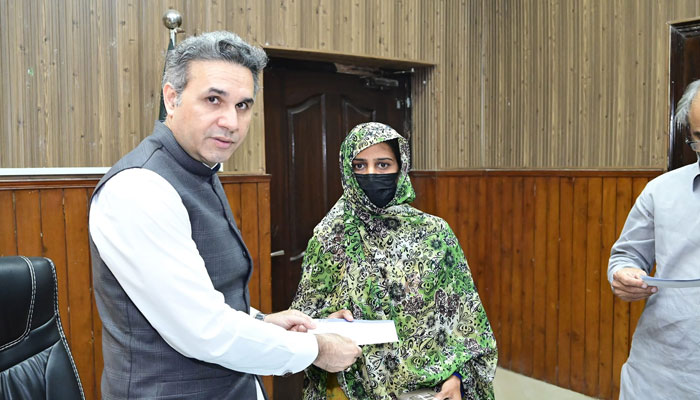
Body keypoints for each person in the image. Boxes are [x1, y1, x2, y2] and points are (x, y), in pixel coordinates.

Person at [88, 31, 361, 400]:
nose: (231, 122)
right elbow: (203, 329)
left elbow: (199, 296)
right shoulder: (139, 188)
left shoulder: (200, 166)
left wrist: (261, 321)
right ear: (172, 98)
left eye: (243, 106)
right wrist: (319, 350)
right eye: (213, 100)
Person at [290, 122, 498, 400]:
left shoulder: (434, 233)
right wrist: (325, 325)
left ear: (401, 167)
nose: (372, 174)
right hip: (350, 389)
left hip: (429, 391)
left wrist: (458, 378)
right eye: (360, 166)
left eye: (383, 164)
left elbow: (467, 321)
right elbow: (301, 321)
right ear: (346, 171)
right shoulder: (330, 236)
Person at [608, 79, 700, 399]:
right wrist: (623, 275)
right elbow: (627, 255)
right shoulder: (661, 191)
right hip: (660, 369)